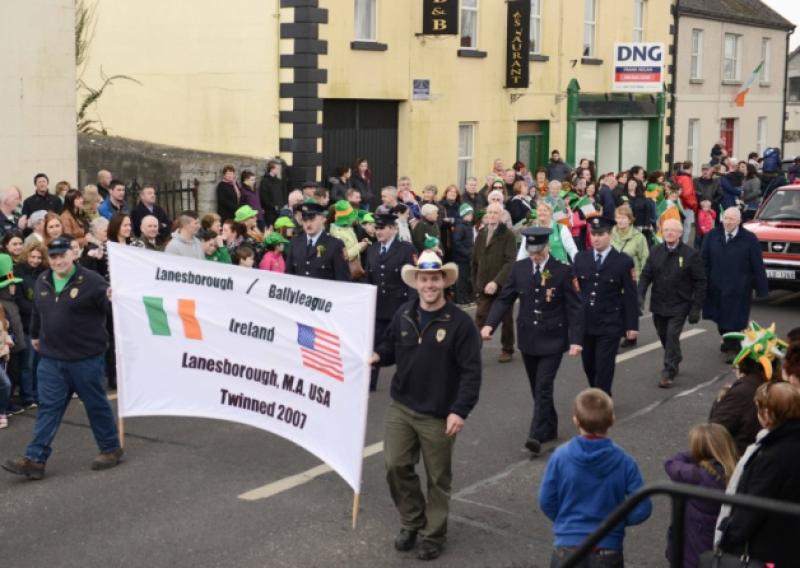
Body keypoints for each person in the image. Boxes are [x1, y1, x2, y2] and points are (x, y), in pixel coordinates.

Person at [370, 251, 482, 561]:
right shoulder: (404, 313)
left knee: (437, 478)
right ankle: (412, 521)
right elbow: (391, 346)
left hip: (439, 413)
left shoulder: (460, 323)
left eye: (435, 279)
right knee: (395, 465)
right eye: (424, 279)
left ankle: (434, 534)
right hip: (402, 406)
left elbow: (472, 372)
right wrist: (378, 356)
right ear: (416, 281)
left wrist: (460, 410)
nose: (429, 285)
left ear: (444, 282)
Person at [2, 236, 123, 480]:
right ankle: (35, 458)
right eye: (53, 256)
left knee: (95, 404)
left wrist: (113, 298)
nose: (57, 260)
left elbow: (113, 311)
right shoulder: (43, 280)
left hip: (85, 358)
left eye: (62, 255)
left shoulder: (92, 281)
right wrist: (35, 335)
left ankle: (110, 448)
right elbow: (38, 311)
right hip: (52, 358)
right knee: (48, 408)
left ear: (72, 255)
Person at [482, 228, 583, 454]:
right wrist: (490, 324)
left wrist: (576, 340)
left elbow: (575, 308)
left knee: (543, 386)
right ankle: (550, 425)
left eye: (538, 252)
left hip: (553, 338)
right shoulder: (519, 269)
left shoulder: (563, 270)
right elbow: (505, 299)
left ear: (547, 247)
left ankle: (535, 434)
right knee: (537, 387)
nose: (535, 256)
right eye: (531, 252)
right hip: (529, 337)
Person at [539, 388, 652, 568]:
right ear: (612, 420)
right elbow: (643, 508)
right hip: (608, 547)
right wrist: (617, 522)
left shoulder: (560, 456)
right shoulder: (625, 461)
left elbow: (546, 500)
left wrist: (565, 520)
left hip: (567, 545)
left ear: (576, 420)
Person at [716, 382, 800, 567]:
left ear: (769, 414)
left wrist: (727, 536)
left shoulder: (771, 455)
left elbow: (753, 504)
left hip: (768, 548)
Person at [573, 217, 638, 396]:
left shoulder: (623, 261)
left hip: (610, 322)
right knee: (589, 365)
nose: (596, 238)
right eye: (593, 234)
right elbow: (575, 293)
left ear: (610, 235)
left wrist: (631, 325)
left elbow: (630, 296)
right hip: (587, 322)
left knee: (604, 366)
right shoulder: (581, 258)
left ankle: (601, 399)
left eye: (600, 234)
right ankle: (597, 393)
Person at [638, 219, 706, 388]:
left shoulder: (691, 254)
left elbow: (700, 282)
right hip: (659, 302)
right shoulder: (655, 251)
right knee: (663, 334)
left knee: (672, 335)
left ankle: (668, 371)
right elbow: (646, 275)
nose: (669, 233)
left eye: (673, 230)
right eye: (666, 230)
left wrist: (696, 308)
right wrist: (639, 295)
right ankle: (675, 355)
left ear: (680, 233)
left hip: (680, 303)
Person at [664, 423, 738, 568]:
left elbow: (671, 463)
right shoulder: (736, 473)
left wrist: (696, 452)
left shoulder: (696, 475)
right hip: (722, 550)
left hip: (692, 553)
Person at [701, 207, 768, 361]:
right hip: (716, 285)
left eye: (732, 219)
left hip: (740, 287)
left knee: (735, 319)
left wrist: (761, 288)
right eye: (726, 218)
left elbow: (757, 264)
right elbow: (703, 260)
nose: (728, 222)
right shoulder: (712, 236)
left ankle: (733, 347)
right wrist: (701, 282)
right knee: (720, 319)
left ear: (739, 221)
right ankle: (728, 339)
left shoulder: (749, 239)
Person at [364, 213, 417, 392]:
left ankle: (405, 383)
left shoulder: (406, 249)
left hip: (399, 307)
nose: (378, 232)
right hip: (378, 308)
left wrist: (412, 307)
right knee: (373, 346)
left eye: (382, 228)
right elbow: (369, 280)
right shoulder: (372, 250)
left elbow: (412, 281)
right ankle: (369, 383)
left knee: (403, 347)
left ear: (393, 229)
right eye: (376, 228)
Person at [472, 202, 517, 363]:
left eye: (495, 213)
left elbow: (510, 261)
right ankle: (473, 350)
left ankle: (507, 349)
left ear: (501, 215)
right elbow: (475, 261)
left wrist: (496, 282)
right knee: (480, 317)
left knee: (506, 319)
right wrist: (476, 283)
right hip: (483, 284)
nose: (491, 216)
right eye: (489, 212)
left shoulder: (508, 235)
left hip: (503, 285)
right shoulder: (481, 233)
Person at [285, 202, 351, 281]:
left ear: (323, 219)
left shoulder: (335, 245)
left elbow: (343, 279)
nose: (308, 224)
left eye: (312, 219)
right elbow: (288, 276)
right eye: (305, 220)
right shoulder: (295, 242)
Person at [451, 204, 475, 306]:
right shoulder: (460, 226)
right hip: (461, 258)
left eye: (471, 214)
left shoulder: (468, 225)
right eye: (469, 214)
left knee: (466, 278)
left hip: (467, 257)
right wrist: (467, 253)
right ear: (464, 214)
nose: (471, 216)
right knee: (461, 279)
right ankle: (460, 299)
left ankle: (466, 298)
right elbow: (456, 243)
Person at [259, 159, 285, 227]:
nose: (279, 170)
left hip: (279, 210)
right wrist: (273, 206)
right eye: (277, 168)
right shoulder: (265, 181)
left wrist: (281, 205)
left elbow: (281, 195)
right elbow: (264, 197)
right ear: (272, 169)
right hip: (270, 212)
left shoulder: (278, 181)